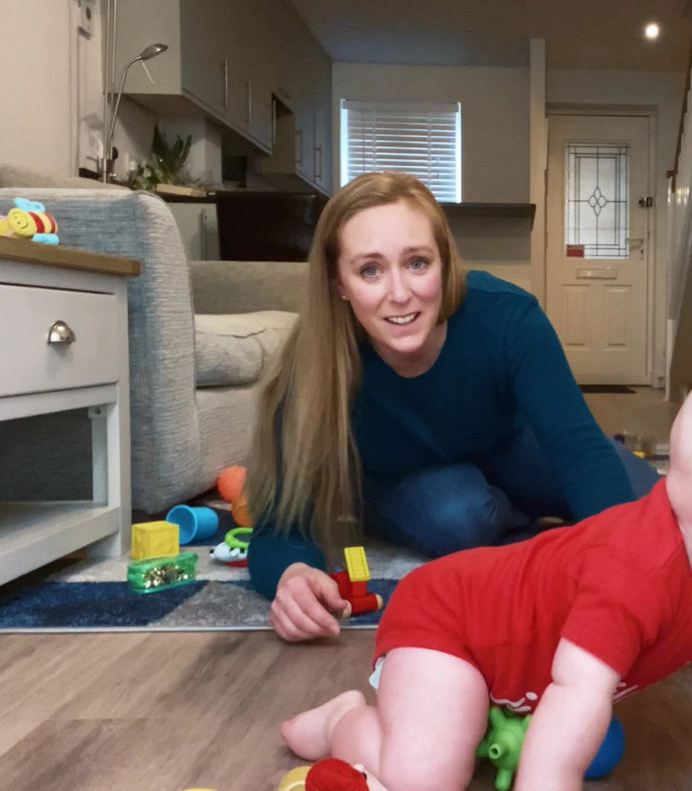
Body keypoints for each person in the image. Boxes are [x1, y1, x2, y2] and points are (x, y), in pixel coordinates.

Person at [279, 354, 692, 791]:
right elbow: (576, 693)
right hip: (449, 624)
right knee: (427, 778)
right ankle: (346, 720)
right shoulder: (635, 572)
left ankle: (468, 713)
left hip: (511, 662)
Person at [245, 172, 658, 642]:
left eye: (417, 263)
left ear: (444, 262)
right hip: (409, 481)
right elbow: (280, 520)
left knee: (649, 504)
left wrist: (626, 566)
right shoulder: (314, 362)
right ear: (338, 282)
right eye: (370, 270)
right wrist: (292, 575)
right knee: (461, 517)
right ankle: (532, 535)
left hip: (508, 447)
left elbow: (579, 450)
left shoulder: (507, 317)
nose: (399, 294)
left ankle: (527, 530)